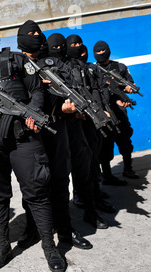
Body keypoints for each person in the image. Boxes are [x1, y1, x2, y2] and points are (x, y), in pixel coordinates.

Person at [0, 17, 66, 272]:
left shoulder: (18, 60)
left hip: (23, 137)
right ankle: (2, 246)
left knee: (37, 192)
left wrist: (33, 112)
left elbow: (37, 89)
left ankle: (50, 247)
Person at [15, 22, 92, 250]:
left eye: (38, 32)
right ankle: (33, 228)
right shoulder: (15, 64)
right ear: (20, 39)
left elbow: (70, 87)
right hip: (30, 132)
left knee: (59, 181)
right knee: (33, 184)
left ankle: (66, 230)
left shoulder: (54, 62)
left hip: (57, 129)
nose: (36, 36)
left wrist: (66, 108)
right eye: (31, 34)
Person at [64, 34, 109, 229]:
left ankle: (95, 197)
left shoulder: (86, 67)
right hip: (76, 123)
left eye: (79, 44)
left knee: (93, 161)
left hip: (92, 121)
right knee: (83, 165)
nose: (77, 47)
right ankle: (84, 201)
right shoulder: (66, 68)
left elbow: (95, 90)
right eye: (73, 45)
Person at [93, 40, 139, 182]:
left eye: (103, 51)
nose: (101, 54)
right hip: (105, 112)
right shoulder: (93, 70)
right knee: (105, 144)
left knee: (125, 140)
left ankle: (128, 168)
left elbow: (130, 85)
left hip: (120, 111)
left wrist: (128, 90)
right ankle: (106, 174)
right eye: (98, 52)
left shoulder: (120, 67)